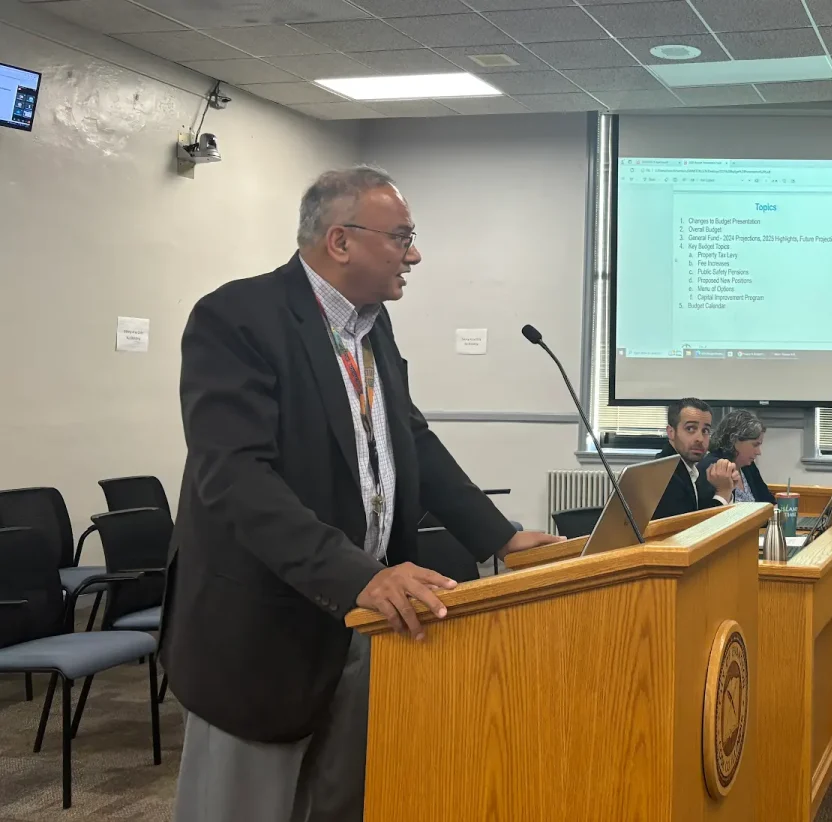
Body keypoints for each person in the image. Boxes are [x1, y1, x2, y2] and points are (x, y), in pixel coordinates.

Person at [161, 166, 562, 822]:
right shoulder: (237, 318)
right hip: (266, 629)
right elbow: (235, 479)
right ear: (340, 241)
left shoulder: (372, 327)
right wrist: (359, 577)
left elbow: (410, 441)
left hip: (366, 619)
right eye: (401, 237)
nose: (415, 254)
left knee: (340, 802)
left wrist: (503, 537)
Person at [652, 398, 740, 520]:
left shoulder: (689, 469)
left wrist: (727, 487)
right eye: (690, 428)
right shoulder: (664, 474)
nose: (700, 438)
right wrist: (723, 492)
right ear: (671, 432)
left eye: (705, 431)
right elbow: (693, 533)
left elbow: (699, 513)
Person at [700, 409, 776, 505]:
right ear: (734, 440)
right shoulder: (713, 467)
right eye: (755, 445)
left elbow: (769, 501)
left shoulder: (748, 465)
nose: (758, 452)